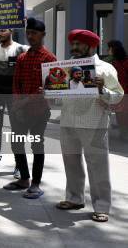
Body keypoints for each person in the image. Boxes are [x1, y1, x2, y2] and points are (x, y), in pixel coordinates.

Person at [55, 30, 123, 223]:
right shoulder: (66, 67)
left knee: (97, 165)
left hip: (94, 123)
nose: (74, 47)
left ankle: (102, 206)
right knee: (71, 162)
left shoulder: (105, 68)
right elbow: (59, 97)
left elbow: (118, 95)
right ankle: (74, 198)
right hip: (68, 121)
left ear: (91, 46)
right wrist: (50, 91)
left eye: (79, 44)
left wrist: (103, 90)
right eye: (73, 44)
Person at [2, 18, 56, 199]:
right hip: (19, 110)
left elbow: (52, 89)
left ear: (43, 35)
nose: (30, 36)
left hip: (39, 111)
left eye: (34, 33)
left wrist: (28, 100)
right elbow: (16, 84)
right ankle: (24, 179)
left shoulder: (50, 59)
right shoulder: (22, 58)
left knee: (37, 145)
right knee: (16, 144)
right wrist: (17, 105)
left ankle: (35, 184)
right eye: (29, 33)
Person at [0, 29, 28, 175]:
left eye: (3, 30)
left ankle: (19, 164)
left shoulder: (22, 49)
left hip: (14, 94)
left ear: (11, 30)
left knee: (17, 128)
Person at [107, 40, 128, 139]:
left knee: (121, 114)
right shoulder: (122, 60)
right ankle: (123, 133)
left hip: (121, 92)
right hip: (121, 92)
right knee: (121, 113)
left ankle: (124, 134)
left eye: (109, 48)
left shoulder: (114, 62)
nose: (108, 50)